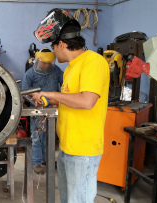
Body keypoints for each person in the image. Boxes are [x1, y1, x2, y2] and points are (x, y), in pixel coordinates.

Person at [30, 8, 110, 203]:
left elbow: (87, 101)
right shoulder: (71, 69)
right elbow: (71, 98)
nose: (54, 52)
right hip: (67, 146)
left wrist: (50, 93)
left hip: (83, 150)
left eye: (53, 46)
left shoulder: (93, 62)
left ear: (62, 44)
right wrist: (46, 98)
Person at [21, 48, 63, 175]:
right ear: (38, 61)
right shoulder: (30, 74)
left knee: (50, 136)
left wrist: (59, 100)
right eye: (44, 63)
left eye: (49, 63)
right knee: (37, 136)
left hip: (53, 108)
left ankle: (47, 160)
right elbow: (24, 93)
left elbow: (66, 85)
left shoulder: (56, 71)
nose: (47, 65)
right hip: (37, 109)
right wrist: (35, 101)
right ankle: (36, 162)